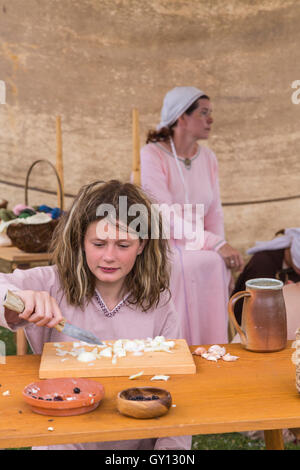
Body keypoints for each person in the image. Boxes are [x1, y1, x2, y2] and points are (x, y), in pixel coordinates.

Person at [0, 180, 191, 450]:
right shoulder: (53, 283)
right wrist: (16, 299)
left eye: (123, 245)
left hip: (136, 442)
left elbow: (177, 399)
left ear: (142, 244)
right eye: (99, 243)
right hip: (62, 437)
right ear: (81, 241)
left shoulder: (159, 304)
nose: (109, 256)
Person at [140, 86, 244, 345]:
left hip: (203, 243)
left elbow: (214, 213)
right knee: (181, 264)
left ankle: (212, 350)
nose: (210, 119)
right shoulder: (151, 155)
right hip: (162, 242)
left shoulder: (208, 158)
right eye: (203, 113)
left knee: (213, 263)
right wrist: (215, 243)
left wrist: (222, 250)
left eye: (210, 113)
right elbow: (162, 212)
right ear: (181, 117)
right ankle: (175, 349)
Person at [232, 228, 300, 325]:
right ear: (290, 249)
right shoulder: (263, 263)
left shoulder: (291, 265)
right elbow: (255, 305)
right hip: (257, 324)